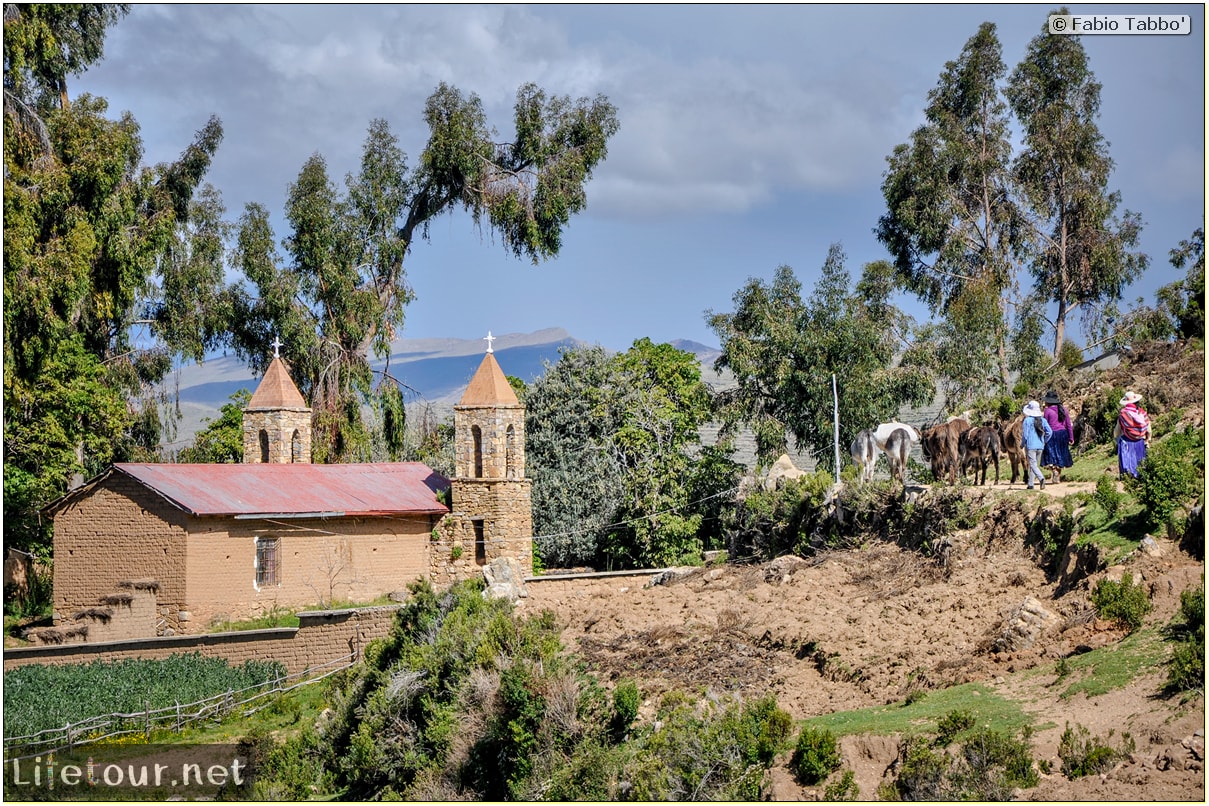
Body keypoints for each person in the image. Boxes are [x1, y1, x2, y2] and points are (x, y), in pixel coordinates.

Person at [1041, 391, 1075, 484]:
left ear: (1048, 401)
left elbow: (1045, 426)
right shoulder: (1064, 410)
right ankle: (1058, 476)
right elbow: (1068, 425)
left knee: (1051, 454)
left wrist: (1043, 437)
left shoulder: (1047, 411)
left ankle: (1054, 471)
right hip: (1063, 434)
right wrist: (1071, 437)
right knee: (1061, 455)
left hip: (1052, 434)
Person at [1116, 391, 1151, 478]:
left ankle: (1127, 476)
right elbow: (1149, 429)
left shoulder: (1123, 415)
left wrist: (1117, 440)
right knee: (1141, 461)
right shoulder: (1142, 413)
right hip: (1140, 440)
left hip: (1127, 441)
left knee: (1128, 461)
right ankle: (1141, 476)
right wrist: (1147, 440)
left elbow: (1117, 431)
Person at [1021, 400, 1052, 490]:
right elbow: (1049, 432)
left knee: (1032, 464)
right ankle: (1030, 484)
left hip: (1031, 446)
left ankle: (1041, 478)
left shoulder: (1027, 420)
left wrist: (1022, 444)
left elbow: (1025, 435)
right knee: (1034, 465)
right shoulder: (1043, 420)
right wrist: (1044, 441)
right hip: (1040, 446)